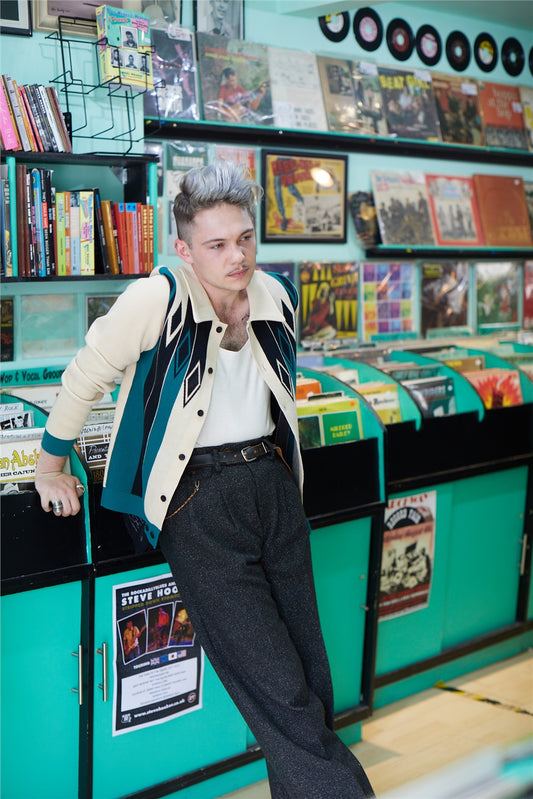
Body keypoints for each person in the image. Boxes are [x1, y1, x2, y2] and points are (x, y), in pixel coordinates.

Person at [34, 159, 374, 799]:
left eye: (245, 238)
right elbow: (84, 376)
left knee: (310, 676)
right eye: (217, 245)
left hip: (272, 487)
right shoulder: (156, 296)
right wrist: (50, 466)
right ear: (184, 247)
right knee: (279, 688)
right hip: (197, 499)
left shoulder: (276, 294)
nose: (237, 256)